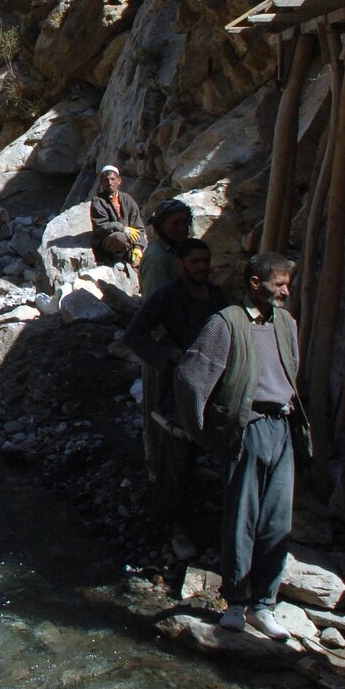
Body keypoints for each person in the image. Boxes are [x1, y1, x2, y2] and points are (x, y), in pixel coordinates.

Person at [173, 251, 305, 640]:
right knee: (242, 519)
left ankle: (264, 604)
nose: (285, 291)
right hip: (249, 430)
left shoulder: (285, 323)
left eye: (286, 284)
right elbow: (191, 376)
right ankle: (235, 603)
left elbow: (291, 367)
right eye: (279, 284)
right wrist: (205, 432)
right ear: (255, 283)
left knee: (277, 520)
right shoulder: (226, 323)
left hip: (281, 427)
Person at [121, 238, 229, 559]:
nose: (201, 267)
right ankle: (173, 526)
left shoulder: (218, 296)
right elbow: (135, 335)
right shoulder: (168, 296)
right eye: (194, 262)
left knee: (206, 456)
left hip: (215, 388)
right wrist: (167, 355)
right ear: (181, 265)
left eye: (204, 261)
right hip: (180, 387)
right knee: (176, 461)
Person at [137, 198, 194, 300]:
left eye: (184, 222)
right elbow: (154, 303)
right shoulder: (156, 257)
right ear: (161, 226)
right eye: (175, 223)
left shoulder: (177, 250)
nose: (182, 228)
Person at [90, 164, 144, 267]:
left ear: (119, 181)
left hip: (128, 239)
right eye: (106, 180)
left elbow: (139, 227)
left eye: (112, 179)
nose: (109, 182)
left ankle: (133, 253)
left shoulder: (127, 199)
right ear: (101, 183)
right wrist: (122, 228)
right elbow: (100, 226)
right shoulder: (98, 201)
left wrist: (138, 247)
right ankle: (117, 256)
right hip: (107, 239)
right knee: (119, 237)